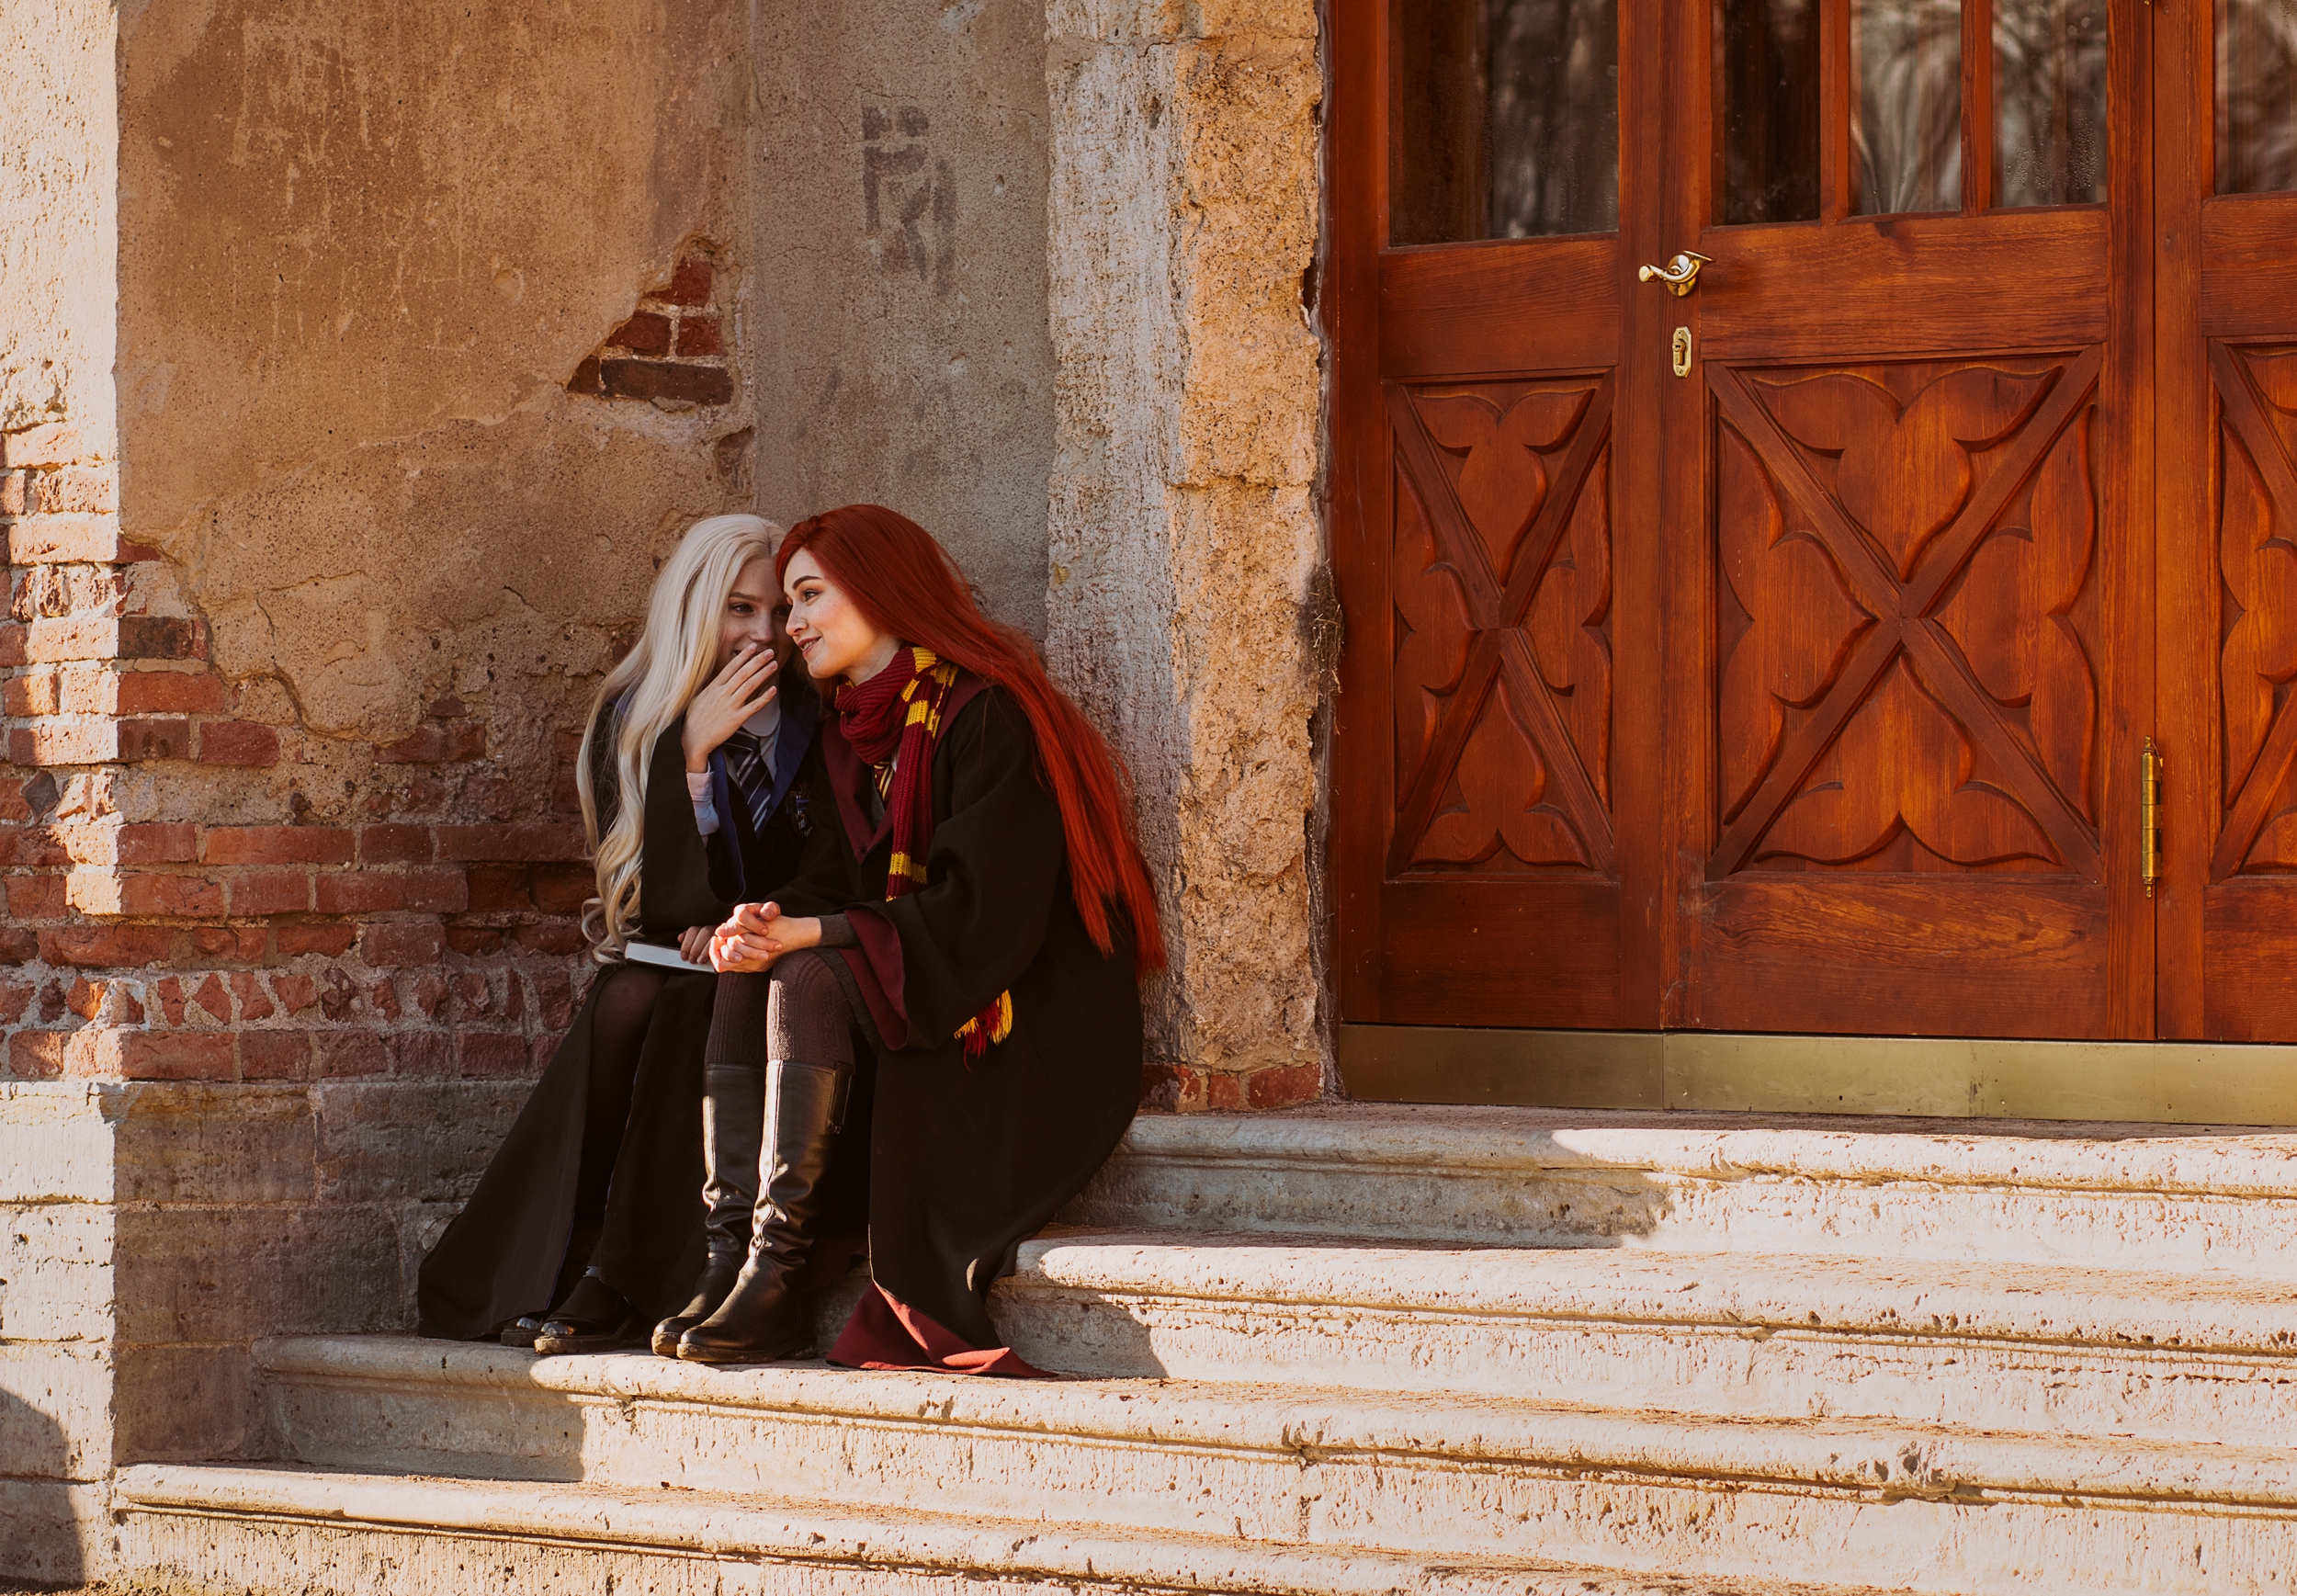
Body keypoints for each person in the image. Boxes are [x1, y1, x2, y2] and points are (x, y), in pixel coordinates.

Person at [662, 504, 1164, 1375]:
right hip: (929, 971)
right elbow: (833, 879)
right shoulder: (853, 732)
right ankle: (731, 1257)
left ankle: (779, 1272)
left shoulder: (988, 715)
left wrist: (812, 933)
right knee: (750, 968)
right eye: (789, 602)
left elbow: (983, 913)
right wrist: (765, 921)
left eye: (809, 596)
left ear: (880, 590)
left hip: (1025, 1013)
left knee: (807, 976)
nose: (793, 624)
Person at [417, 514, 820, 1354]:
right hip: (671, 949)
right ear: (695, 608)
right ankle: (572, 1250)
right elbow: (651, 899)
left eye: (779, 612)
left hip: (772, 951)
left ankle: (616, 1273)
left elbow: (828, 865)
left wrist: (742, 920)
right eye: (740, 609)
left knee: (674, 1004)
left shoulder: (812, 712)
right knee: (629, 994)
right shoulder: (631, 714)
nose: (764, 634)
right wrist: (691, 753)